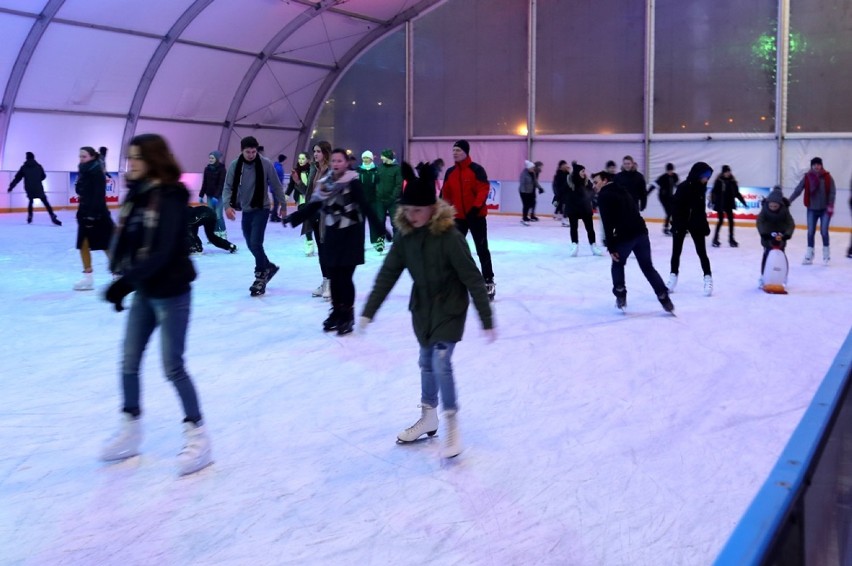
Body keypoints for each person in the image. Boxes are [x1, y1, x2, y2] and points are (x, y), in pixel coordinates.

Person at [360, 161, 495, 458]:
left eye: (417, 210)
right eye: (407, 210)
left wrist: (486, 317)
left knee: (440, 362)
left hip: (450, 308)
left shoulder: (450, 237)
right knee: (425, 361)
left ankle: (452, 425)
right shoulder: (405, 236)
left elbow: (473, 277)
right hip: (422, 310)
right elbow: (388, 273)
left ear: (432, 208)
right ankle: (428, 415)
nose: (411, 216)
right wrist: (369, 310)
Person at [101, 133, 211, 476]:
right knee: (129, 361)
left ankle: (199, 437)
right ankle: (131, 428)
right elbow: (128, 241)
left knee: (172, 366)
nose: (129, 163)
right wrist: (123, 270)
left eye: (136, 158)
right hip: (146, 292)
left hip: (173, 293)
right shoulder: (137, 198)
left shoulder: (172, 198)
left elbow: (164, 252)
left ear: (152, 160)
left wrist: (123, 283)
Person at [283, 148, 386, 334]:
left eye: (340, 161)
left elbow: (365, 206)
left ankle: (347, 315)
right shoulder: (325, 183)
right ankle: (337, 312)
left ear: (346, 163)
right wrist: (295, 218)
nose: (336, 164)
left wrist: (380, 228)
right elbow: (314, 205)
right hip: (333, 234)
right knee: (335, 277)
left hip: (351, 234)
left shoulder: (352, 182)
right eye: (334, 161)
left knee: (345, 277)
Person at [592, 170, 673, 313]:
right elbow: (634, 210)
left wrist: (611, 246)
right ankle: (663, 296)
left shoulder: (604, 195)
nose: (594, 186)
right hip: (641, 232)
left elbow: (607, 223)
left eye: (596, 182)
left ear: (604, 181)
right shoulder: (623, 190)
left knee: (617, 264)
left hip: (625, 236)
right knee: (648, 267)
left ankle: (620, 293)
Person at [222, 136, 286, 296]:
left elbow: (276, 185)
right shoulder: (235, 165)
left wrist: (283, 204)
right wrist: (227, 205)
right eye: (248, 152)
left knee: (256, 242)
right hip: (246, 210)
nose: (251, 155)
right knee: (251, 244)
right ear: (242, 151)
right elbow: (228, 186)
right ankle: (268, 266)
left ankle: (260, 276)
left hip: (262, 209)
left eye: (253, 151)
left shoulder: (265, 164)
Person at [440, 140, 496, 301]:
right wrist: (444, 211)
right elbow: (446, 194)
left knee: (481, 249)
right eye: (453, 150)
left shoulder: (476, 170)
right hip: (458, 218)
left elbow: (483, 189)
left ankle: (488, 281)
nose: (454, 153)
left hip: (476, 217)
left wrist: (476, 208)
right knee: (453, 250)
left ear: (466, 152)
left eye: (458, 150)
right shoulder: (450, 172)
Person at [667, 162, 714, 296]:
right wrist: (676, 225)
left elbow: (700, 210)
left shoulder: (701, 188)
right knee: (676, 252)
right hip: (681, 223)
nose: (707, 179)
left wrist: (704, 225)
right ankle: (672, 277)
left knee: (702, 252)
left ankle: (708, 278)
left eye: (708, 177)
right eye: (705, 176)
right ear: (697, 174)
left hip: (696, 224)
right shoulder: (683, 187)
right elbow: (675, 208)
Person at [74, 146, 115, 291]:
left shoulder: (97, 172)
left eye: (84, 156)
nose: (81, 159)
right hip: (84, 214)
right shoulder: (83, 170)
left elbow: (98, 195)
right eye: (80, 156)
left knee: (106, 245)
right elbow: (80, 190)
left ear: (92, 156)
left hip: (98, 215)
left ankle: (117, 275)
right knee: (83, 244)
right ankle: (88, 277)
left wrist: (93, 215)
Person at [789, 157, 836, 265]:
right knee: (810, 232)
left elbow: (832, 192)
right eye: (814, 164)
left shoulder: (827, 177)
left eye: (818, 164)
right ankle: (809, 255)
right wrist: (789, 200)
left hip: (824, 209)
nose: (816, 166)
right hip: (812, 209)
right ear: (811, 166)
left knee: (824, 231)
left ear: (821, 165)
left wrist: (830, 205)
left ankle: (826, 255)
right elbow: (798, 190)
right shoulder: (807, 177)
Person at [305, 141, 333, 298]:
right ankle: (325, 282)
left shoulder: (331, 171)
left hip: (327, 217)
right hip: (315, 215)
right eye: (314, 151)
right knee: (322, 251)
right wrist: (297, 183)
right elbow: (309, 193)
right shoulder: (313, 169)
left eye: (318, 151)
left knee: (327, 250)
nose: (315, 154)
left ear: (326, 153)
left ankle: (331, 283)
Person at [8, 151, 61, 226]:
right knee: (45, 201)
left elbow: (17, 178)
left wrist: (11, 187)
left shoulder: (24, 167)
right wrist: (37, 180)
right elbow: (44, 176)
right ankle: (52, 215)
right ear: (33, 158)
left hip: (29, 188)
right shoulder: (39, 166)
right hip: (38, 187)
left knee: (30, 200)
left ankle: (30, 216)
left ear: (27, 158)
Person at [756, 186, 795, 288]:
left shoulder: (785, 211)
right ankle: (763, 276)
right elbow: (759, 221)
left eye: (775, 206)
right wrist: (763, 233)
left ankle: (784, 277)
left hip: (780, 236)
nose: (773, 208)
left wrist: (787, 234)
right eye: (771, 206)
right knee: (766, 255)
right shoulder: (764, 209)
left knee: (782, 255)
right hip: (767, 236)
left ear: (780, 204)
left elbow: (790, 223)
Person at [564, 162, 602, 256]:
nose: (584, 173)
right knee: (573, 228)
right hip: (573, 209)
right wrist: (556, 200)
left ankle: (593, 246)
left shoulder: (586, 181)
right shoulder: (569, 181)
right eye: (582, 171)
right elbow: (562, 191)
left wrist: (595, 190)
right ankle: (574, 246)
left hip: (585, 209)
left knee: (590, 228)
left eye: (584, 171)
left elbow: (590, 194)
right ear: (577, 172)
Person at [285, 152, 315, 256]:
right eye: (299, 158)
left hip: (313, 199)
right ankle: (309, 241)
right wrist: (286, 196)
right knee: (306, 220)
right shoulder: (295, 172)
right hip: (302, 200)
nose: (300, 160)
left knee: (313, 221)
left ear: (308, 159)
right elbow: (291, 185)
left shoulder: (313, 170)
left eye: (303, 158)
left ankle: (315, 240)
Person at [710, 165, 747, 247]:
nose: (728, 173)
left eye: (729, 172)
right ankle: (715, 239)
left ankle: (731, 239)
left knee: (731, 222)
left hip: (729, 204)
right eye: (726, 172)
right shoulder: (719, 181)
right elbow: (714, 192)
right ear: (723, 172)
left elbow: (737, 193)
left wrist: (743, 202)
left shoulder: (732, 181)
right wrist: (713, 201)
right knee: (720, 221)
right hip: (720, 204)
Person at [374, 148, 403, 253]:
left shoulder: (397, 169)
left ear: (388, 157)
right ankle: (380, 243)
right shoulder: (380, 167)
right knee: (380, 222)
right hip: (379, 200)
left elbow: (398, 185)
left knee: (395, 223)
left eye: (383, 157)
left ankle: (397, 244)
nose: (381, 158)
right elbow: (376, 181)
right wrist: (376, 193)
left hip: (393, 201)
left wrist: (392, 197)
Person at [198, 150, 227, 238]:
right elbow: (205, 183)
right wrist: (201, 195)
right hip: (209, 196)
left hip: (219, 196)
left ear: (217, 158)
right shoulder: (207, 169)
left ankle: (223, 232)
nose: (210, 159)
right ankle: (215, 233)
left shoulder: (222, 169)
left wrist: (216, 196)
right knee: (211, 215)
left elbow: (221, 184)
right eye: (209, 158)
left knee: (218, 215)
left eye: (212, 158)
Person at [357, 150, 381, 253]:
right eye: (364, 158)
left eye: (368, 158)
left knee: (374, 222)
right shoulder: (358, 170)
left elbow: (379, 184)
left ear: (371, 159)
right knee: (360, 223)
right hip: (361, 202)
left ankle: (376, 242)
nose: (366, 160)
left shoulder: (376, 170)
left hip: (373, 200)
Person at [647, 163, 678, 235]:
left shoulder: (675, 176)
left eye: (671, 170)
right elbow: (654, 185)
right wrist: (647, 193)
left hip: (671, 196)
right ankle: (666, 228)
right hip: (663, 197)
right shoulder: (662, 177)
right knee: (669, 212)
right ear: (666, 170)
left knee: (674, 211)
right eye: (668, 170)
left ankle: (675, 227)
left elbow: (677, 185)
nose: (670, 172)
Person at [519, 160, 543, 225]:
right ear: (528, 168)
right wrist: (525, 193)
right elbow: (522, 184)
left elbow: (535, 182)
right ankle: (524, 218)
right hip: (523, 192)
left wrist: (540, 188)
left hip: (530, 191)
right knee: (526, 205)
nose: (533, 169)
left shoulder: (533, 173)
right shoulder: (524, 174)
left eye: (533, 168)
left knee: (531, 203)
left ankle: (528, 216)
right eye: (532, 168)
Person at [270, 154, 287, 222]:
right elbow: (276, 179)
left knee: (276, 202)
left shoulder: (277, 166)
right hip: (276, 188)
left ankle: (274, 215)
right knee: (276, 202)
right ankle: (273, 216)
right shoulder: (278, 168)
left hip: (275, 187)